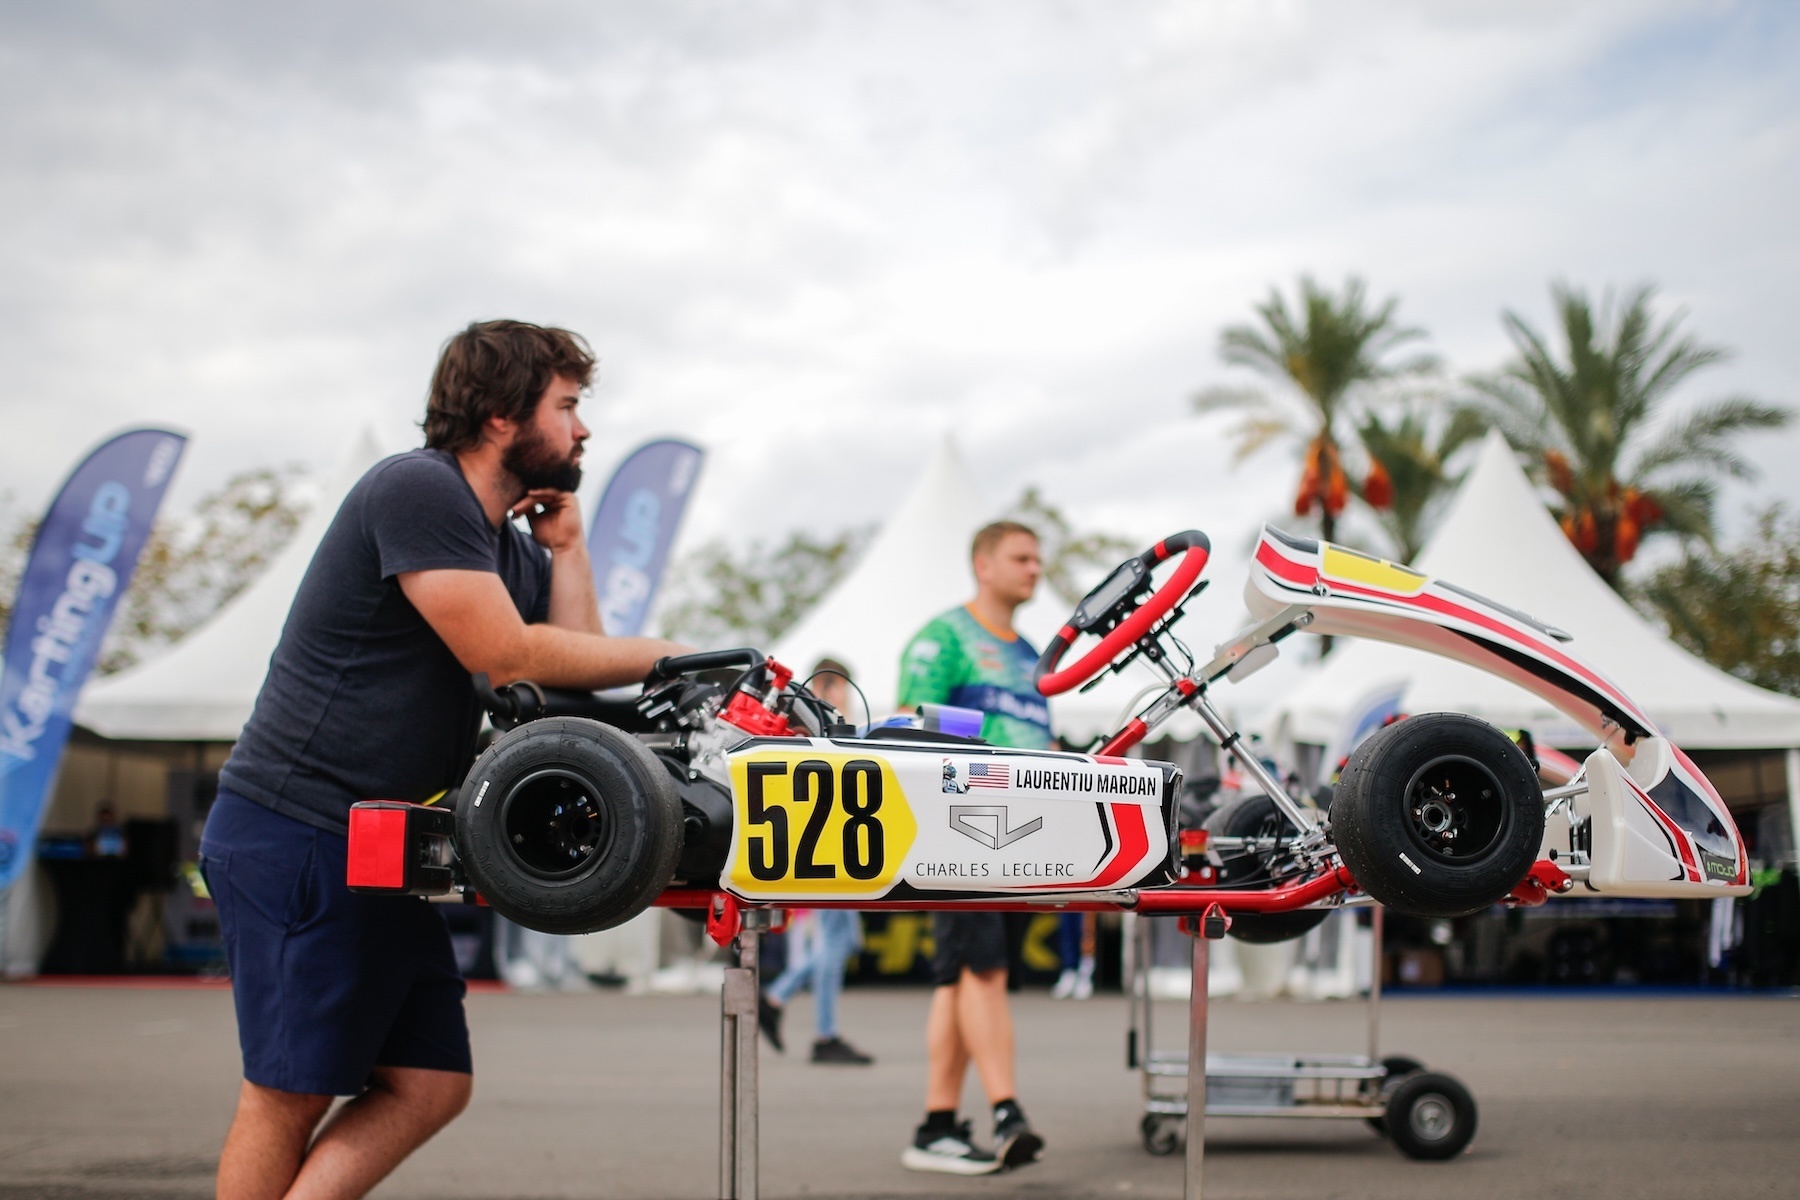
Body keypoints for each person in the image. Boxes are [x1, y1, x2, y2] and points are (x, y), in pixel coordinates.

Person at [200, 320, 686, 1200]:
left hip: (386, 843)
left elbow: (569, 660)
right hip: (300, 830)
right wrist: (674, 653)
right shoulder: (417, 490)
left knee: (430, 1084)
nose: (583, 430)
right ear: (502, 414)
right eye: (568, 406)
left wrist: (568, 550)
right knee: (287, 1094)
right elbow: (510, 656)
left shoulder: (501, 538)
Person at [896, 520, 1049, 1175]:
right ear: (983, 566)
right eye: (1021, 557)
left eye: (1039, 559)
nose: (1035, 569)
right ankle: (1007, 1110)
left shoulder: (1032, 652)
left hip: (1021, 834)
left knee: (964, 976)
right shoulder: (943, 637)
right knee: (980, 971)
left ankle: (936, 1124)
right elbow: (905, 724)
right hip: (959, 825)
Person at [757, 658, 875, 1065]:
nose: (844, 694)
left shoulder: (815, 730)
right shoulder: (821, 731)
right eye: (839, 686)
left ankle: (779, 999)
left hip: (832, 848)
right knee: (836, 942)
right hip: (830, 850)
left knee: (843, 941)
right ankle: (818, 1029)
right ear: (826, 687)